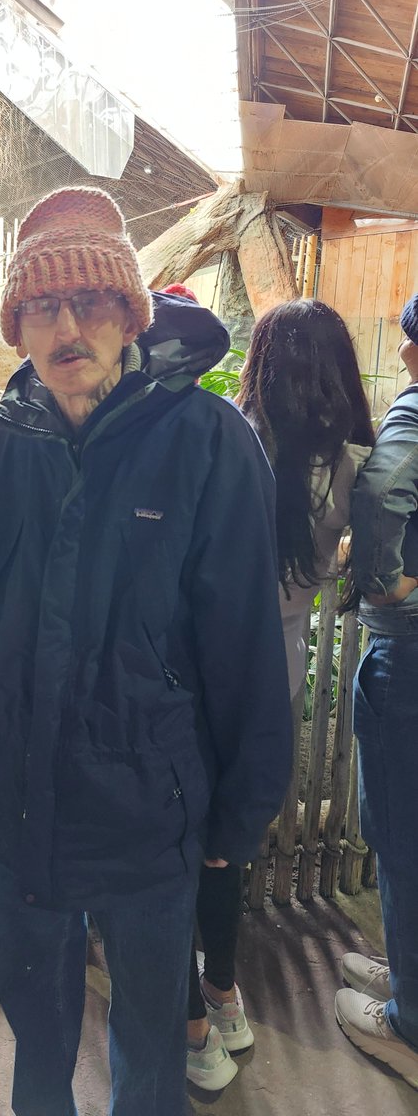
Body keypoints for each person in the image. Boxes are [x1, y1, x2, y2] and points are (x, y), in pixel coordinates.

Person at [0, 187, 293, 1116]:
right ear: (16, 326)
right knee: (38, 1033)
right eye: (43, 308)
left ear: (130, 314)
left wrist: (239, 812)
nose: (69, 327)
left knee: (148, 1042)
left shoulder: (206, 441)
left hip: (148, 809)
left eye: (91, 302)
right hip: (20, 810)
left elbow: (246, 648)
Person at [181, 299, 375, 1091]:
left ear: (259, 363)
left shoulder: (228, 438)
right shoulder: (354, 461)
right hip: (281, 665)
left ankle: (183, 991)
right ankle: (223, 988)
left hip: (196, 660)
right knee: (233, 830)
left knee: (181, 820)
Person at [335, 295, 418, 1092]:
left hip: (411, 661)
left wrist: (386, 585)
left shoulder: (413, 415)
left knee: (400, 836)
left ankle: (409, 1029)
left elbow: (384, 488)